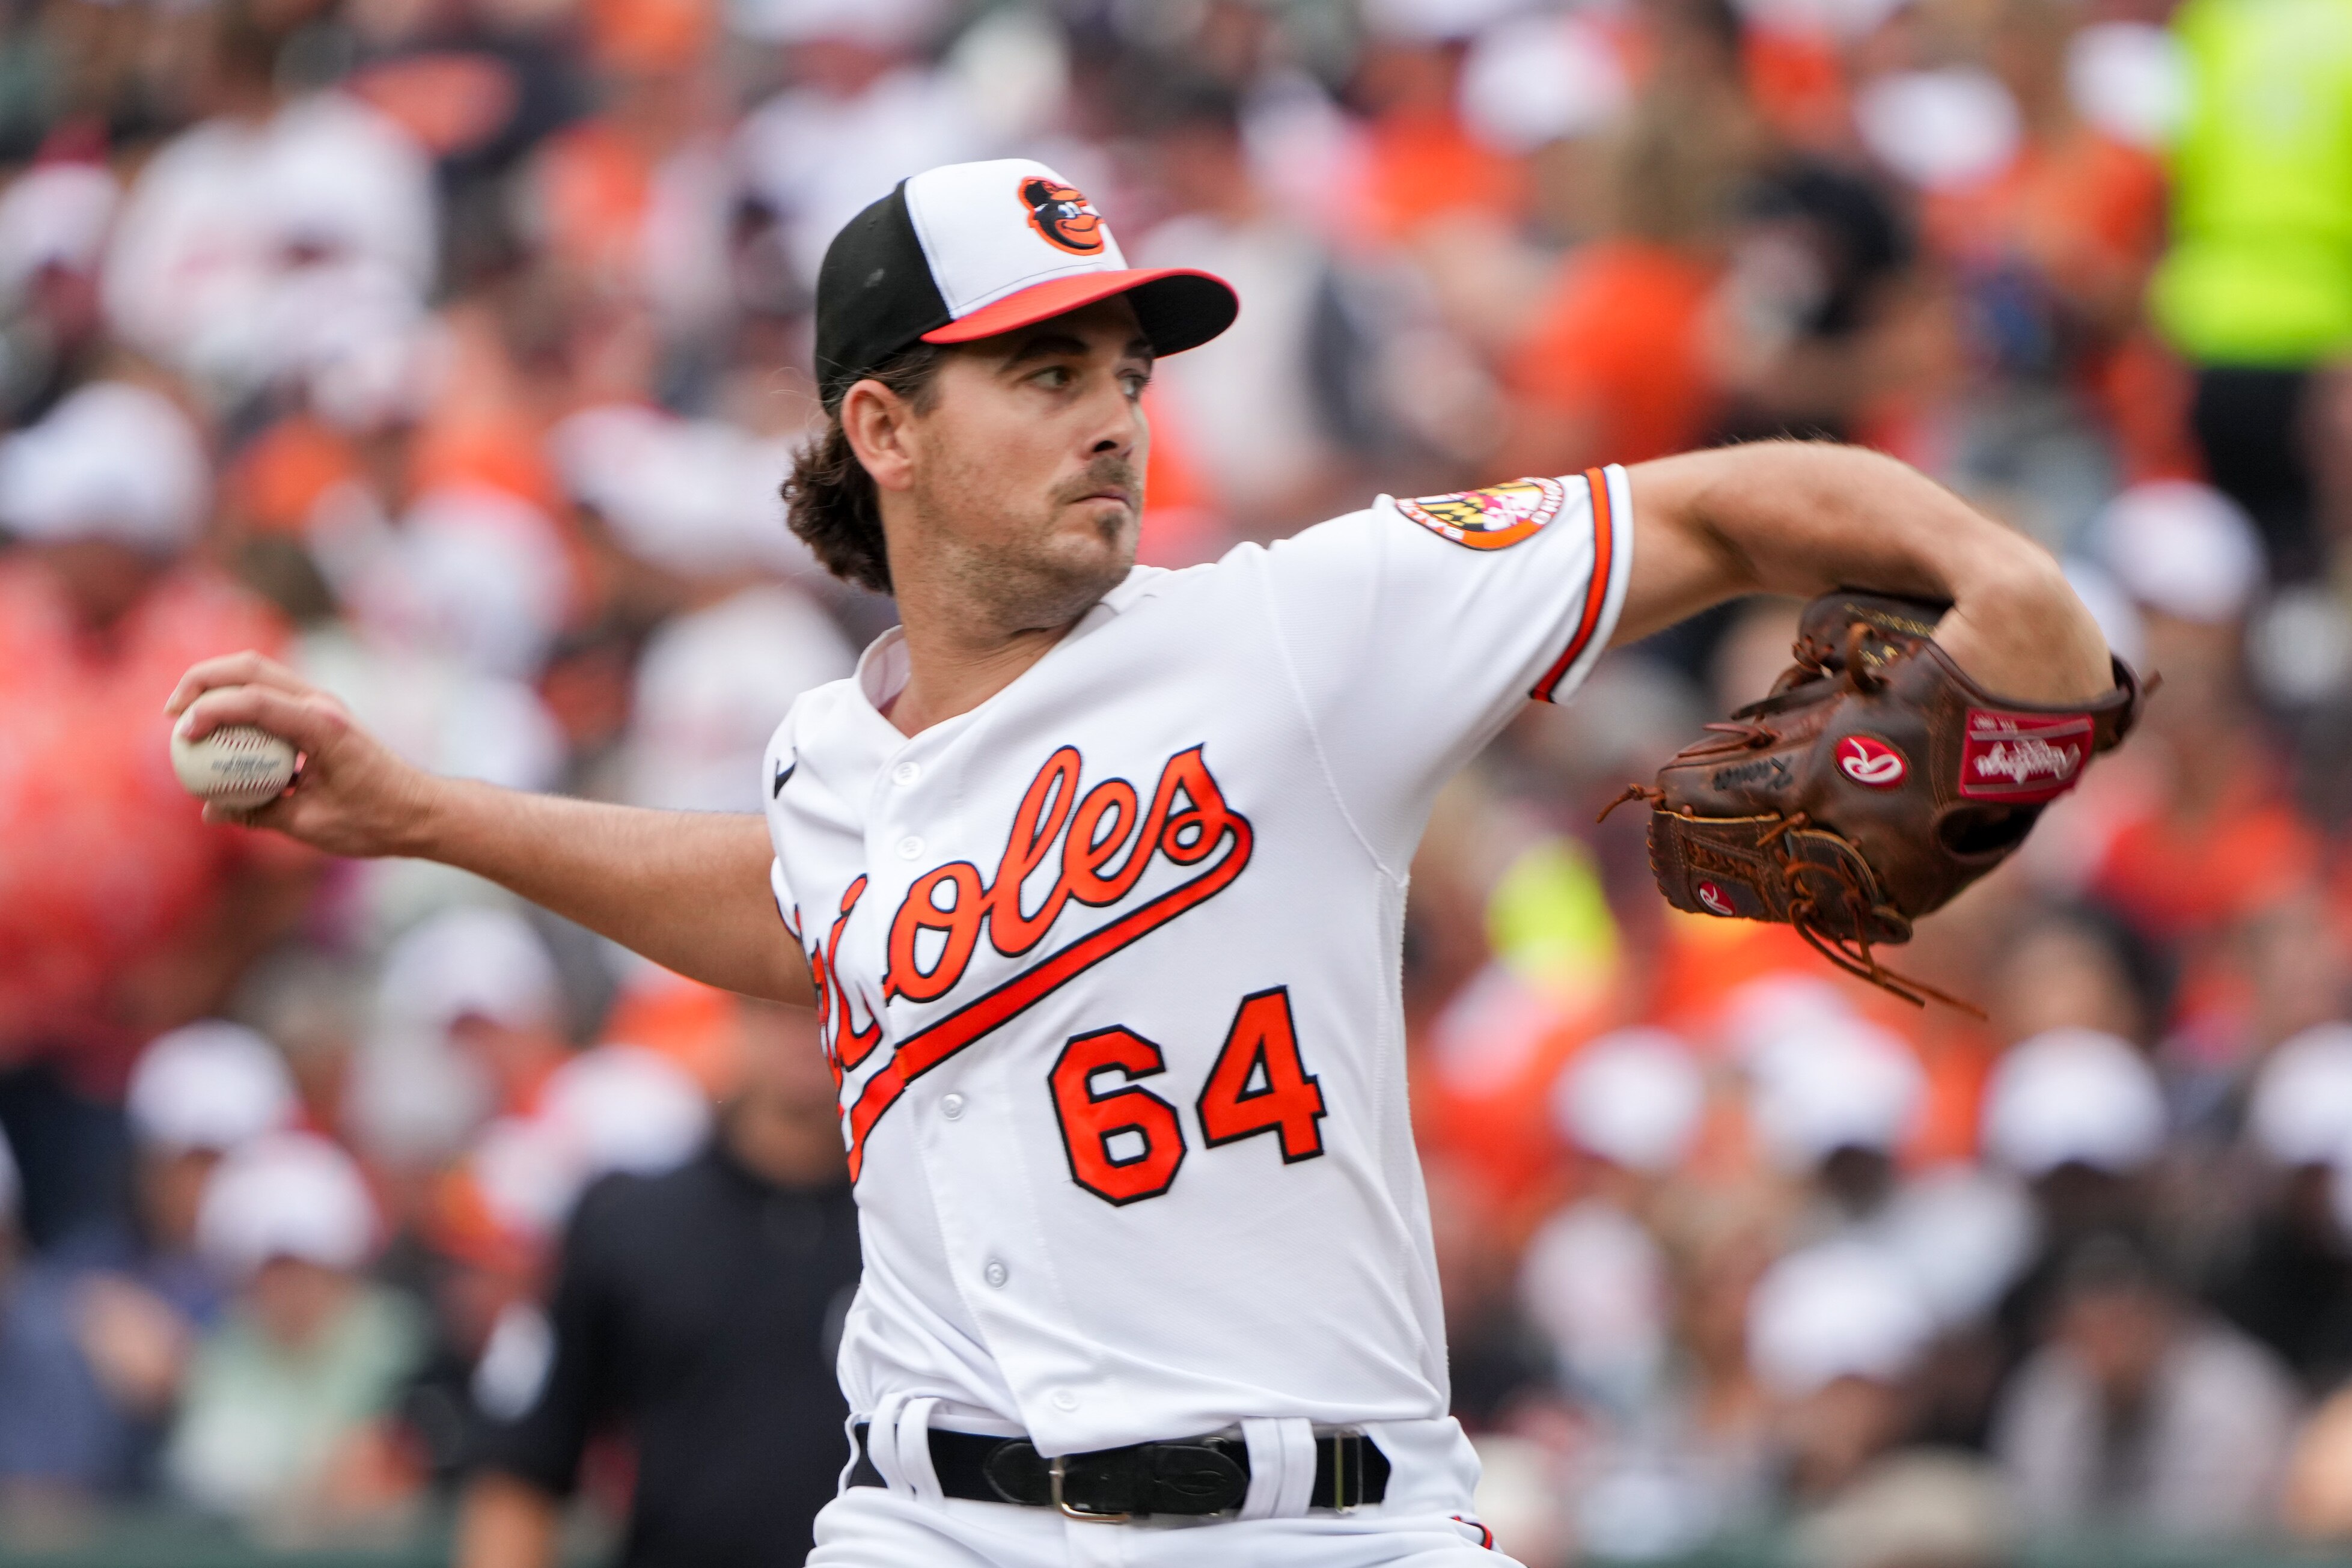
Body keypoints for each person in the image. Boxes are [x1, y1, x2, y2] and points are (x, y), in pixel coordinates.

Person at [168, 156, 2119, 1566]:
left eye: (1127, 368)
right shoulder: (831, 757)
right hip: (924, 1513)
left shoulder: (1297, 630)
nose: (1114, 415)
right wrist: (424, 811)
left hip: (1323, 1519)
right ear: (885, 425)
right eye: (1044, 372)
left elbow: (1707, 505)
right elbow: (799, 915)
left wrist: (1998, 571)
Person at [455, 999, 860, 1568]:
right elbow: (523, 1465)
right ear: (736, 1007)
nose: (803, 1025)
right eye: (777, 998)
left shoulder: (934, 1230)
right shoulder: (630, 1219)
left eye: (829, 998)